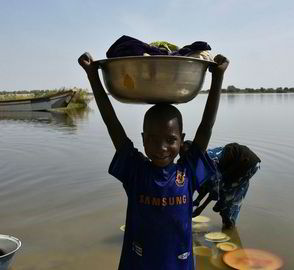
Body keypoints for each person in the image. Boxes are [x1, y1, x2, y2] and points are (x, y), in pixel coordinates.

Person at [78, 52, 228, 270]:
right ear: (143, 140)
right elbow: (112, 123)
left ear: (182, 140)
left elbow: (206, 127)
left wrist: (217, 78)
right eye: (153, 140)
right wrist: (93, 75)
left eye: (171, 140)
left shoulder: (188, 172)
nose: (162, 148)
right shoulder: (135, 171)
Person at [183, 141, 261, 229]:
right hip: (235, 165)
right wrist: (197, 200)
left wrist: (201, 208)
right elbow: (208, 184)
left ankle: (228, 222)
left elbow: (214, 189)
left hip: (248, 165)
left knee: (229, 203)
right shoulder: (201, 159)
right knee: (221, 190)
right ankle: (223, 210)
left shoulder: (209, 162)